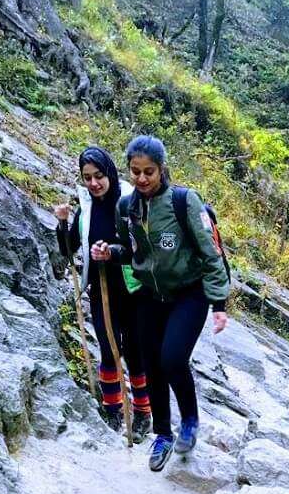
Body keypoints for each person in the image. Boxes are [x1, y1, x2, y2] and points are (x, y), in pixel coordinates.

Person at [92, 135, 229, 471]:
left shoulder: (184, 202)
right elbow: (129, 250)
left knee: (172, 358)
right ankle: (163, 434)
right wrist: (110, 252)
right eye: (135, 172)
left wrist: (219, 303)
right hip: (151, 295)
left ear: (162, 168)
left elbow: (211, 254)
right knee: (151, 364)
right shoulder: (127, 207)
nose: (141, 179)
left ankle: (190, 422)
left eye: (149, 172)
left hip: (189, 293)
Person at [55, 146, 152, 443]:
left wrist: (112, 252)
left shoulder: (129, 202)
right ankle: (112, 408)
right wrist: (62, 223)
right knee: (109, 350)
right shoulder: (85, 209)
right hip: (101, 288)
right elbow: (69, 249)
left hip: (133, 289)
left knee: (135, 353)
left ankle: (143, 412)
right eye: (87, 178)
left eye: (98, 176)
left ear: (109, 172)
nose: (94, 183)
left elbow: (144, 248)